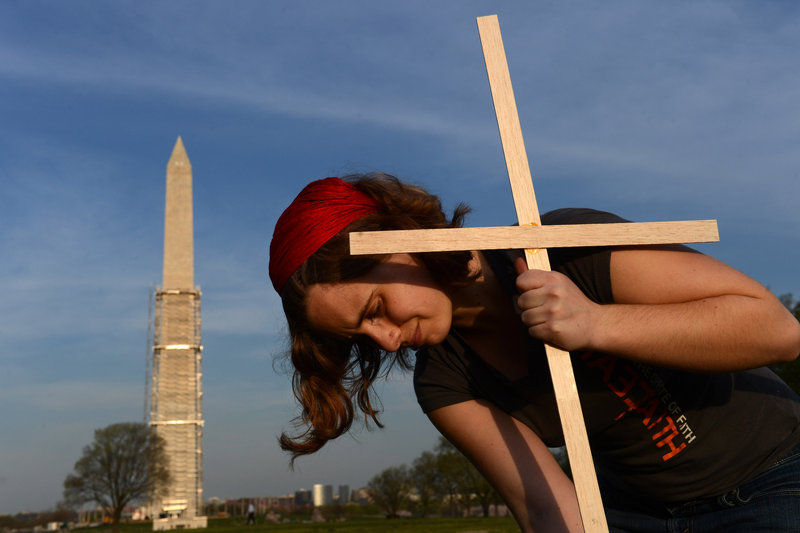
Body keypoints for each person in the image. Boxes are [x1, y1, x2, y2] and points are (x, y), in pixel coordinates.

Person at [268, 173, 800, 532]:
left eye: (376, 307)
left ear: (402, 242)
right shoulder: (445, 382)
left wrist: (594, 323)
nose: (385, 339)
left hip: (774, 479)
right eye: (363, 336)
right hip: (635, 514)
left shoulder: (565, 245)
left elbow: (777, 330)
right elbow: (544, 506)